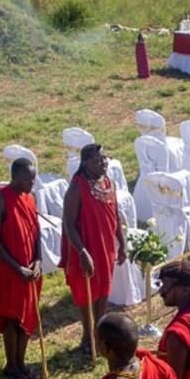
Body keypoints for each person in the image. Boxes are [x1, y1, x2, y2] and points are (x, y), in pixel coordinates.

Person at [61, 143, 126, 358]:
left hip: (106, 247)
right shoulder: (77, 188)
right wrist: (81, 252)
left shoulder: (109, 183)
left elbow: (115, 215)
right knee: (87, 294)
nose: (103, 163)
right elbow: (69, 223)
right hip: (86, 249)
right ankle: (87, 336)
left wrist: (122, 243)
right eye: (97, 160)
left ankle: (99, 334)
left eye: (104, 158)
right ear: (85, 163)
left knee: (103, 292)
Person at [0, 158, 44, 379]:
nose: (32, 183)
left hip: (30, 270)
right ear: (16, 177)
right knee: (13, 319)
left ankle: (21, 362)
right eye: (28, 179)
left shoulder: (30, 198)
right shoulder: (0, 200)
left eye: (33, 178)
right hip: (10, 270)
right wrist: (16, 266)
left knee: (28, 317)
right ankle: (11, 365)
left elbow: (36, 232)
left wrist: (38, 260)